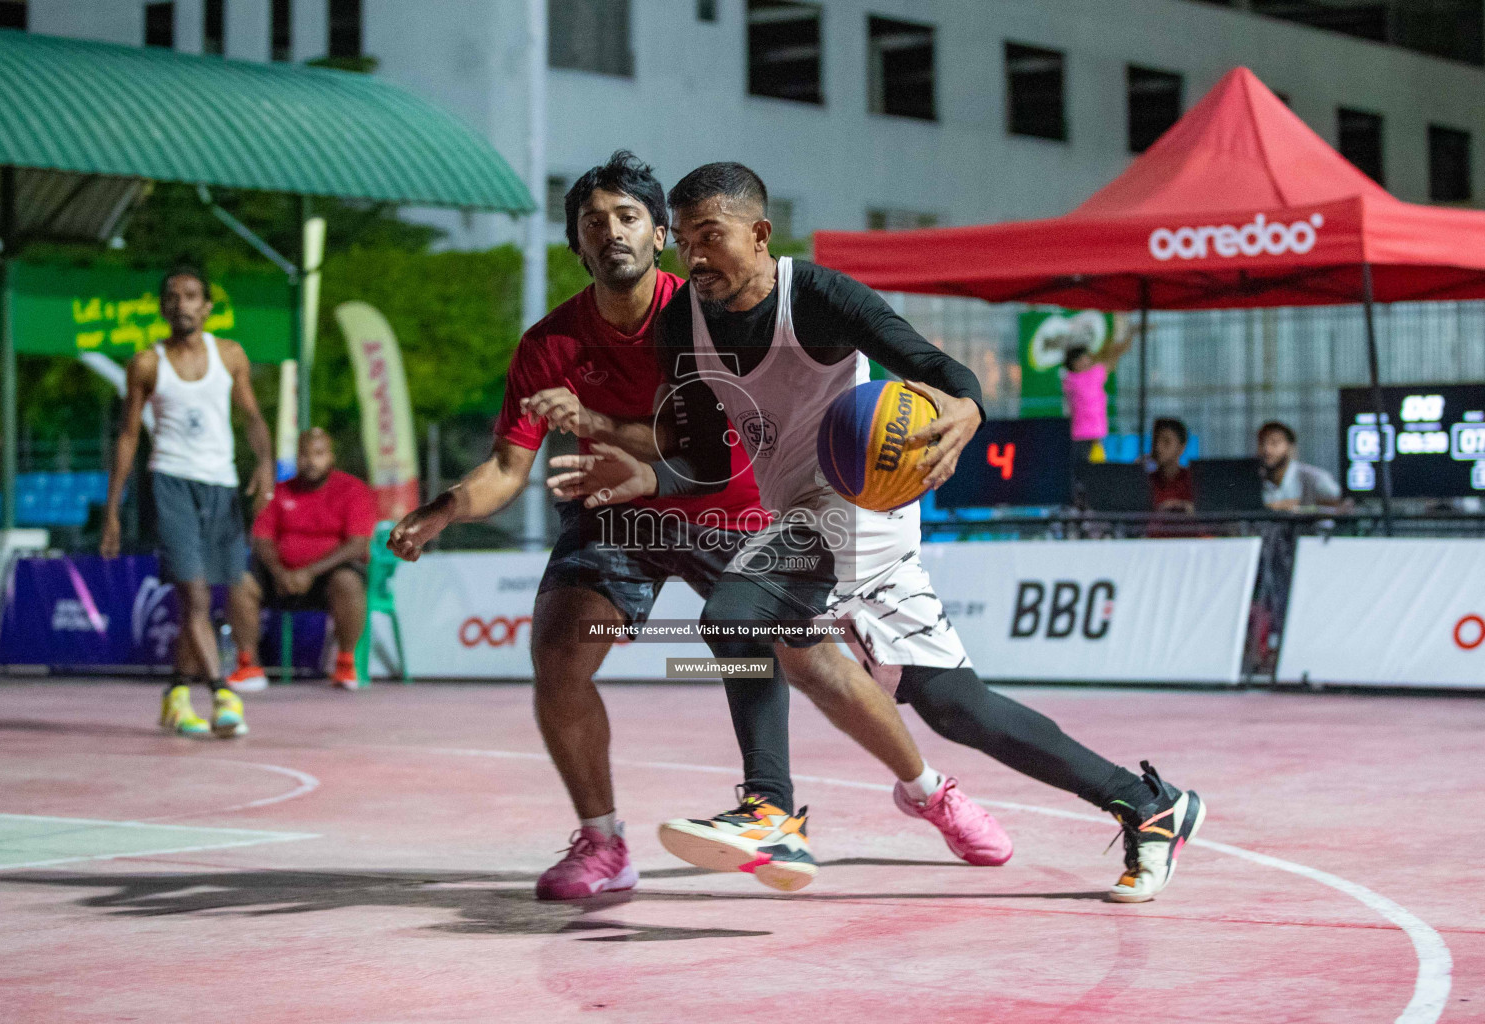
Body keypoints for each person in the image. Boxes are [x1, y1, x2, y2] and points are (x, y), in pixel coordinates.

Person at [548, 162, 1205, 903]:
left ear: (760, 235)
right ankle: (1150, 805)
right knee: (954, 704)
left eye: (713, 237)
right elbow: (697, 452)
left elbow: (936, 366)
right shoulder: (682, 321)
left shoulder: (819, 297)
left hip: (862, 499)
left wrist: (967, 406)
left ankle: (769, 810)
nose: (695, 258)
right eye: (688, 244)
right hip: (798, 513)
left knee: (736, 611)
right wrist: (648, 477)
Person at [387, 152, 801, 899]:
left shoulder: (708, 317)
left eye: (627, 216)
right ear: (577, 245)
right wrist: (442, 508)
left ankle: (912, 785)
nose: (610, 231)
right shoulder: (549, 345)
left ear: (659, 233)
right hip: (616, 513)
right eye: (592, 222)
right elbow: (507, 469)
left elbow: (707, 443)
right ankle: (603, 843)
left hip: (725, 504)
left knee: (785, 653)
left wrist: (598, 422)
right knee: (558, 652)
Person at [100, 266, 273, 739]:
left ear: (207, 307)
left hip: (221, 484)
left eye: (191, 296)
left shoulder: (230, 355)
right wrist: (113, 509)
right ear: (162, 308)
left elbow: (253, 416)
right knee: (194, 595)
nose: (182, 304)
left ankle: (176, 695)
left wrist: (265, 460)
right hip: (170, 482)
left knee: (206, 598)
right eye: (172, 297)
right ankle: (222, 693)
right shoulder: (146, 363)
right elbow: (128, 436)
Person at [226, 428, 377, 692]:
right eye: (304, 455)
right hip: (279, 578)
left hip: (327, 579)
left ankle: (344, 664)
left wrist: (309, 572)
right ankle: (248, 666)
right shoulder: (277, 491)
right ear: (296, 458)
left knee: (349, 582)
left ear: (330, 457)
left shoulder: (352, 490)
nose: (311, 461)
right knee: (239, 580)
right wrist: (279, 571)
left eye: (318, 454)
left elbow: (357, 544)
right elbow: (262, 538)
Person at [1062, 319, 1133, 468]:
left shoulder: (1072, 379)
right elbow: (1112, 356)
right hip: (1085, 436)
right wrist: (1128, 335)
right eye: (1084, 357)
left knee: (1087, 470)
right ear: (1076, 362)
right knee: (1090, 471)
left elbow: (1109, 357)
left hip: (1090, 435)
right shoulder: (1087, 377)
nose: (1088, 360)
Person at [1257, 421, 1347, 511]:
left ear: (1291, 447)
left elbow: (1344, 503)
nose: (1267, 449)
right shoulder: (1255, 479)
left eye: (1274, 443)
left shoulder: (1313, 478)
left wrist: (1302, 507)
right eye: (1262, 443)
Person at [1148, 417, 1195, 513]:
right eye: (1156, 441)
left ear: (1182, 447)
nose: (1158, 447)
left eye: (1166, 442)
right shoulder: (1146, 481)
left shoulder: (1193, 481)